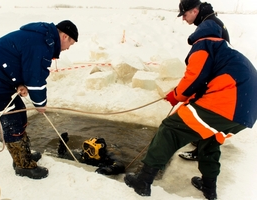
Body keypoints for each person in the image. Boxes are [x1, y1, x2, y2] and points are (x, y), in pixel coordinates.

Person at [124, 20, 257, 200]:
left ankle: (144, 181)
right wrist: (188, 99)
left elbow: (195, 78)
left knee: (170, 129)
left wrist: (176, 96)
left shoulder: (204, 44)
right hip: (245, 112)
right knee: (209, 138)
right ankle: (209, 187)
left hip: (226, 103)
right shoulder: (227, 51)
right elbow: (207, 84)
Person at [0, 20, 78, 179]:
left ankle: (23, 155)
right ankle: (23, 166)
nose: (67, 48)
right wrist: (40, 104)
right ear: (65, 36)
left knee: (20, 115)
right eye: (71, 44)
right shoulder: (41, 43)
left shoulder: (41, 39)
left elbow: (20, 62)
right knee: (12, 121)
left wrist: (19, 83)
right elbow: (35, 79)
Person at [177, 0, 230, 161]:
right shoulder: (212, 21)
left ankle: (202, 150)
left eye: (184, 15)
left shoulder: (209, 26)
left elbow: (205, 62)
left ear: (194, 11)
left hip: (216, 80)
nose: (183, 19)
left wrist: (184, 91)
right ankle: (201, 142)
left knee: (202, 111)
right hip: (219, 76)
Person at [57, 132, 125, 175]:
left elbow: (120, 165)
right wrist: (62, 144)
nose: (87, 151)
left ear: (98, 151)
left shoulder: (107, 157)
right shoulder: (83, 155)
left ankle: (116, 146)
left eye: (92, 150)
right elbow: (62, 155)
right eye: (86, 147)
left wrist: (108, 170)